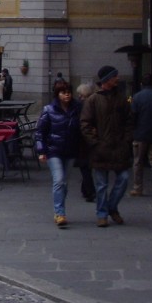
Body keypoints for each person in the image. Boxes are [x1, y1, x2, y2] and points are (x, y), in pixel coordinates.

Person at [80, 66, 133, 227]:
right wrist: (95, 142)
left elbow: (129, 121)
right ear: (107, 80)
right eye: (114, 76)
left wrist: (126, 140)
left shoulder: (121, 98)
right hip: (101, 149)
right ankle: (102, 213)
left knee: (123, 178)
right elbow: (85, 124)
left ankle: (111, 207)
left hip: (119, 148)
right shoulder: (93, 100)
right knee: (102, 184)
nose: (117, 78)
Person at [35, 79, 81, 227]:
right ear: (57, 94)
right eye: (63, 93)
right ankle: (59, 213)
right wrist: (41, 150)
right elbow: (40, 132)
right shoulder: (49, 110)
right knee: (59, 179)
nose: (67, 95)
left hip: (70, 150)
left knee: (64, 183)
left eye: (68, 93)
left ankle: (60, 208)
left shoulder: (77, 109)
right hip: (53, 150)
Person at [75, 81, 97, 202]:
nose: (79, 97)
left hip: (83, 139)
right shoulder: (94, 104)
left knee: (85, 166)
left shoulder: (80, 106)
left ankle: (89, 190)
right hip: (90, 139)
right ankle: (86, 189)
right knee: (86, 167)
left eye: (81, 95)